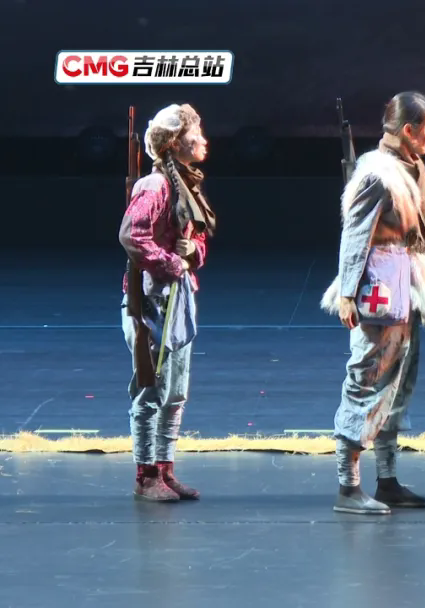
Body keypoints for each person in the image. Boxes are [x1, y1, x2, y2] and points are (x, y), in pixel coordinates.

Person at [320, 91, 425, 514]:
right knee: (366, 382)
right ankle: (348, 487)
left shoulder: (411, 168)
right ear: (408, 130)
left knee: (397, 387)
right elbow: (355, 235)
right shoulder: (377, 174)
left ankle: (387, 479)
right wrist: (348, 294)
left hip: (405, 286)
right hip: (380, 287)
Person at [119, 103, 216, 502]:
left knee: (175, 390)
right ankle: (145, 476)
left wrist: (192, 252)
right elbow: (132, 235)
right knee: (151, 388)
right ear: (175, 143)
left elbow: (195, 242)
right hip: (152, 299)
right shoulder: (155, 186)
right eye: (195, 134)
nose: (203, 141)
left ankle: (164, 468)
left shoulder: (185, 186)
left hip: (178, 297)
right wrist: (171, 262)